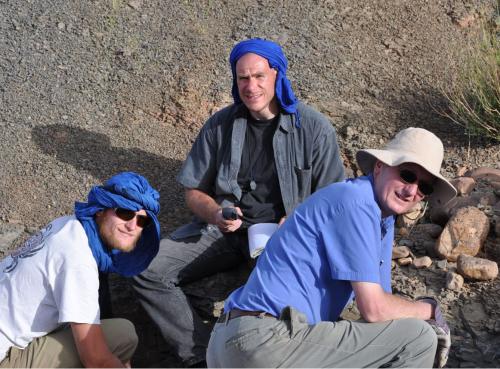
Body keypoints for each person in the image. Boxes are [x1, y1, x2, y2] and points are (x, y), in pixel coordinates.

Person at [133, 38, 345, 366]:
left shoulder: (313, 128)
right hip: (227, 232)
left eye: (259, 76)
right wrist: (216, 213)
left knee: (281, 306)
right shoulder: (221, 125)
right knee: (147, 268)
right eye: (243, 78)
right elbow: (193, 190)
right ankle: (203, 358)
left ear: (277, 74)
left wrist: (299, 220)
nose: (251, 86)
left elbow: (334, 200)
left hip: (285, 238)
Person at [207, 127, 456, 368]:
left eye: (425, 187)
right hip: (265, 340)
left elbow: (382, 318)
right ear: (380, 166)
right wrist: (429, 309)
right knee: (418, 338)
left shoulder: (381, 218)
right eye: (407, 175)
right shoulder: (357, 202)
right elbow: (374, 309)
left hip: (234, 343)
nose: (412, 190)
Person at [0, 172, 161, 368]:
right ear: (100, 210)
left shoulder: (68, 225)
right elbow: (96, 361)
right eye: (125, 212)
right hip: (5, 358)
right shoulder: (79, 259)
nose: (132, 226)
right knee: (122, 336)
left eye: (142, 221)